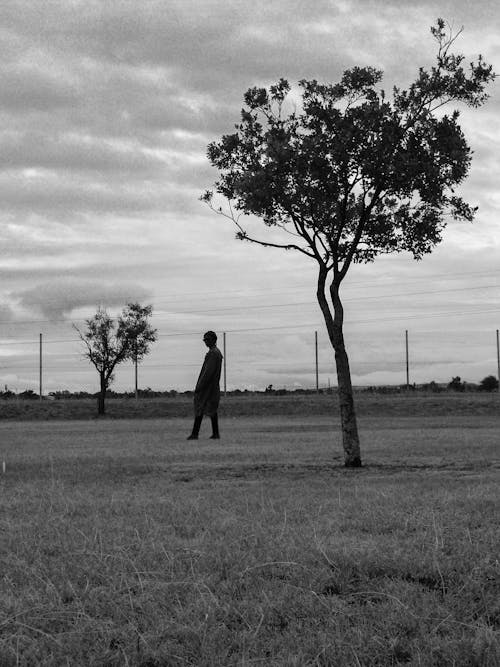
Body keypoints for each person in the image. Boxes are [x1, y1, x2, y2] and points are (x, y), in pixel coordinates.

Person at [187, 331, 223, 440]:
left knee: (200, 407)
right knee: (211, 408)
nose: (205, 342)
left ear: (213, 340)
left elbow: (208, 372)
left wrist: (200, 385)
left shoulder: (213, 353)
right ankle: (215, 433)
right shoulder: (216, 352)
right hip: (212, 386)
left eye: (207, 339)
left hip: (208, 386)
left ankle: (195, 434)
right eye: (205, 340)